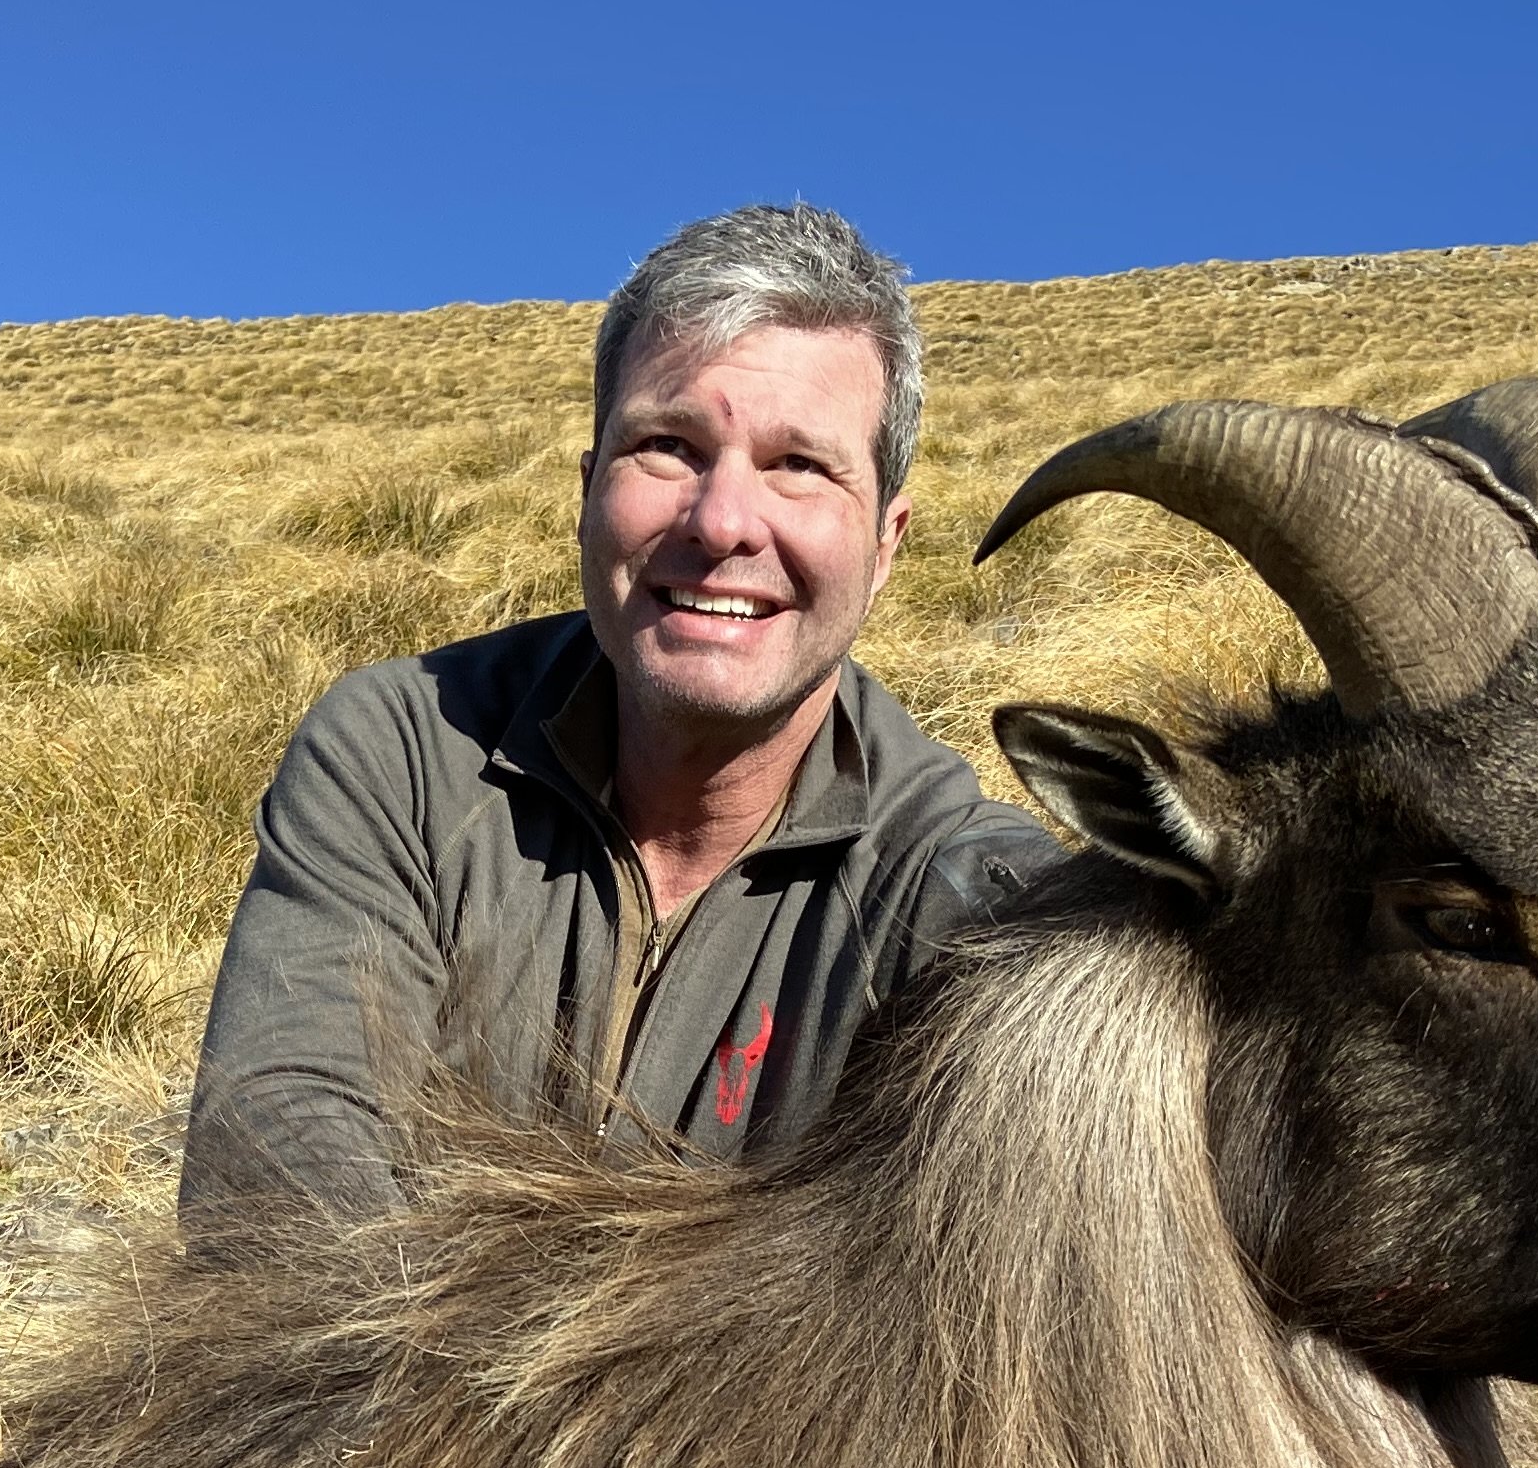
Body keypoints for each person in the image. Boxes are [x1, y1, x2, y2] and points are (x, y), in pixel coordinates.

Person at [177, 202, 1063, 1228]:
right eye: (668, 446)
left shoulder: (961, 903)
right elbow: (278, 1188)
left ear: (885, 545)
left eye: (799, 466)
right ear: (588, 488)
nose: (724, 521)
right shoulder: (401, 752)